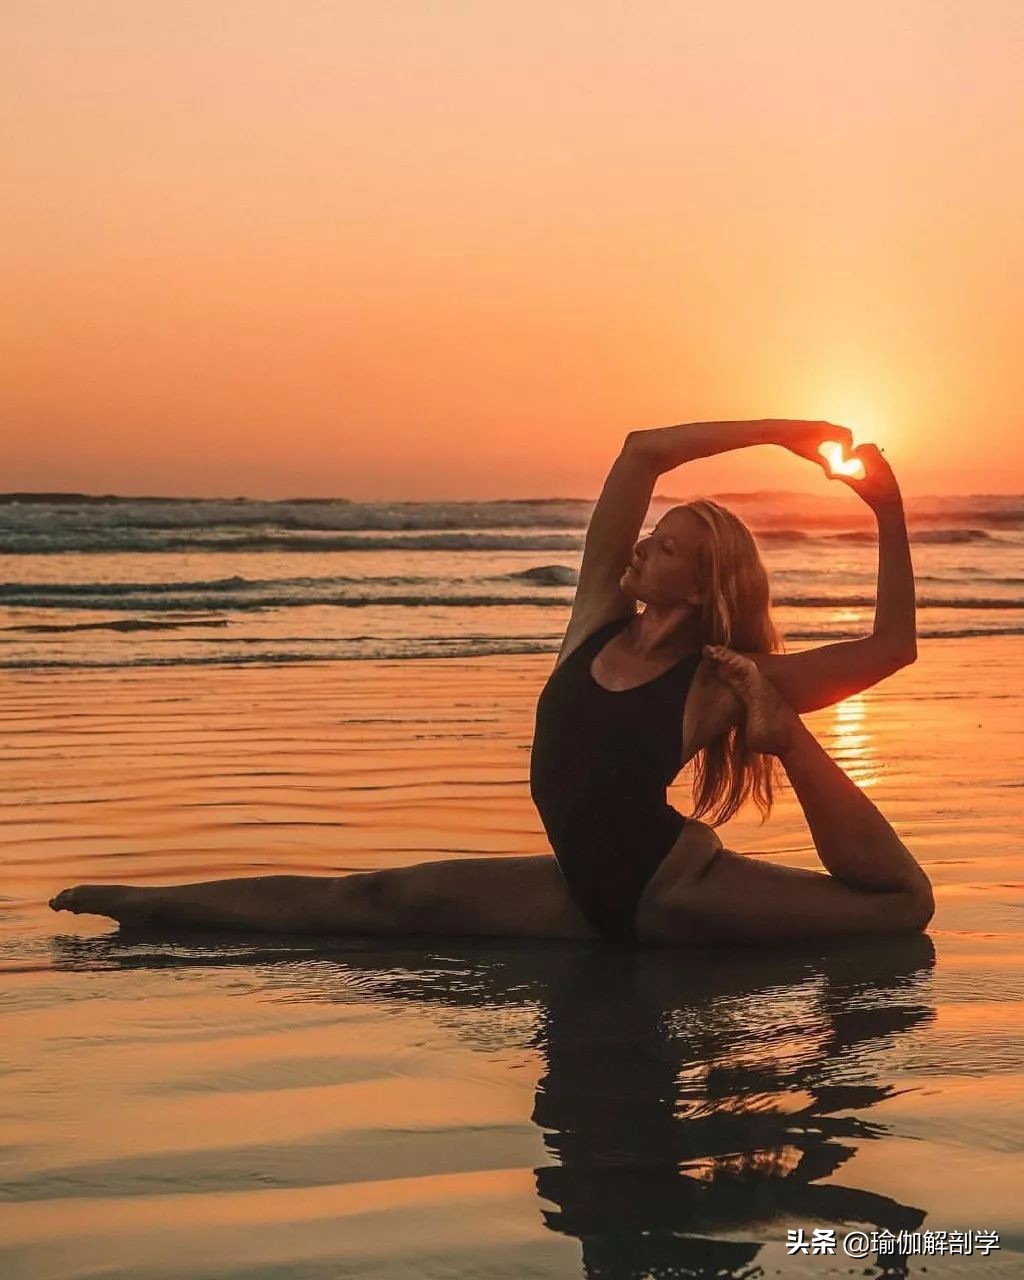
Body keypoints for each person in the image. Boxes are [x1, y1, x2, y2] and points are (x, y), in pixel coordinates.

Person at [49, 419, 934, 945]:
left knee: (899, 911)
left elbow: (893, 644)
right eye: (650, 536)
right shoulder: (594, 619)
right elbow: (640, 453)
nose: (641, 547)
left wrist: (888, 514)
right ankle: (147, 905)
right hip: (571, 892)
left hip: (671, 892)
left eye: (664, 548)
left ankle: (796, 748)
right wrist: (781, 432)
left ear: (700, 586)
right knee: (372, 899)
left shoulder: (717, 681)